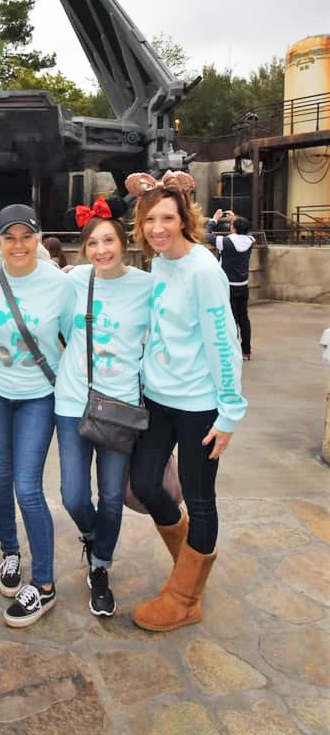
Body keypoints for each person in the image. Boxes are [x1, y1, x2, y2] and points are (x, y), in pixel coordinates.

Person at [124, 170, 247, 632]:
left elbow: (223, 342)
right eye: (150, 219)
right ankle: (188, 570)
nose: (158, 228)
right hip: (158, 400)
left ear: (184, 220)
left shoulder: (203, 270)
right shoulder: (159, 264)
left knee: (199, 500)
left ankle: (184, 598)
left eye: (167, 218)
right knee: (144, 483)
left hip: (198, 406)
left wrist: (229, 413)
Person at [0, 204, 74, 627]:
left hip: (39, 395)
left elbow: (79, 336)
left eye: (26, 236)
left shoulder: (59, 284)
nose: (18, 245)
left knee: (28, 487)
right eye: (9, 237)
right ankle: (10, 552)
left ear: (38, 238)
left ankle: (44, 585)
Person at [54, 196, 153, 617]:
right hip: (73, 401)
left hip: (120, 405)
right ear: (84, 248)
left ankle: (100, 566)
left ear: (123, 242)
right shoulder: (74, 281)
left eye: (108, 240)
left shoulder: (147, 286)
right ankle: (95, 536)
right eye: (93, 243)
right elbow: (59, 327)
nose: (101, 250)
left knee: (112, 495)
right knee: (73, 494)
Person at [207, 209, 255, 360]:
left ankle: (232, 351)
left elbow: (206, 234)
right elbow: (247, 231)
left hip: (227, 285)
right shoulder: (250, 240)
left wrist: (214, 220)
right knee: (244, 318)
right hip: (243, 285)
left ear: (233, 229)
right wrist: (236, 219)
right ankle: (246, 351)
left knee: (230, 319)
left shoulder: (225, 242)